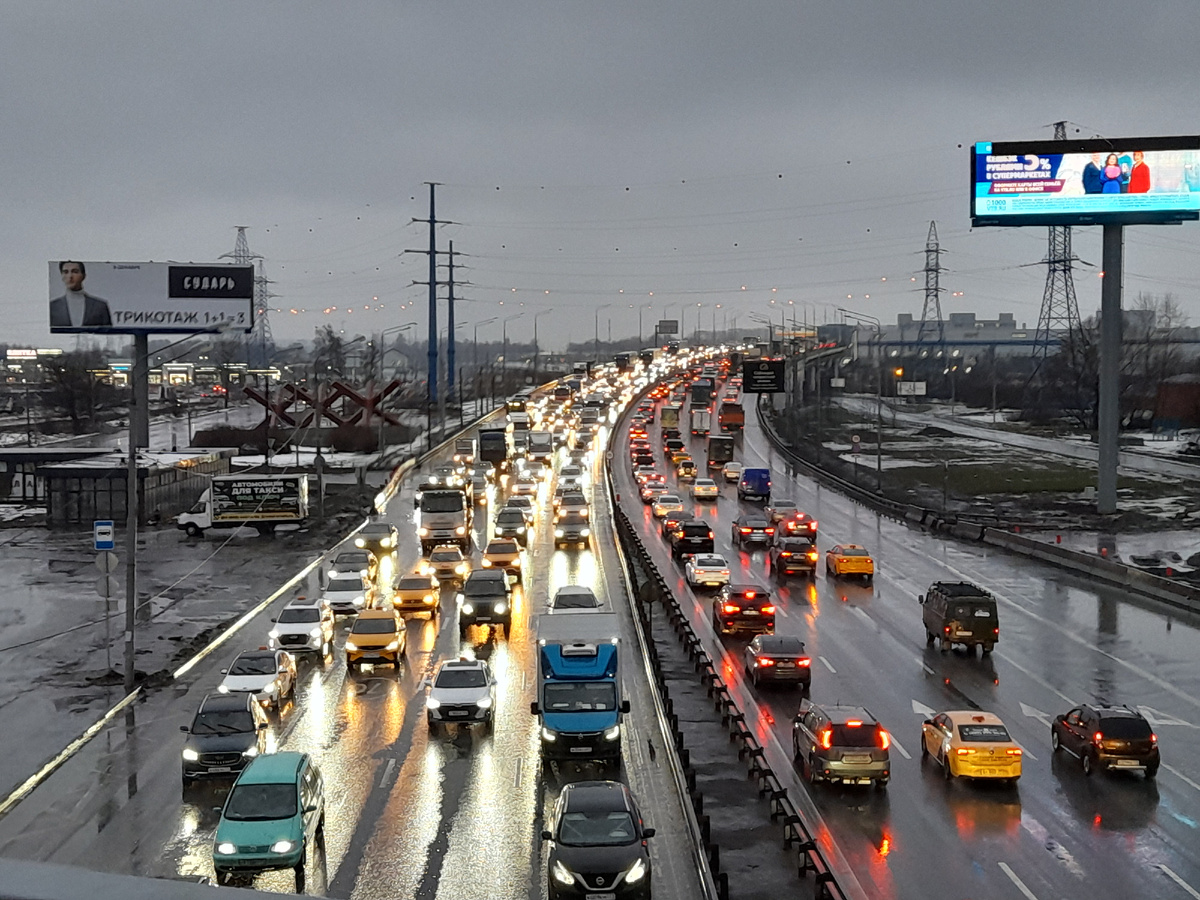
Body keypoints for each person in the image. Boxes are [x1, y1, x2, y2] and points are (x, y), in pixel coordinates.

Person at [49, 260, 112, 328]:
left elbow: (108, 334)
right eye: (65, 272)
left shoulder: (100, 306)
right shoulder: (52, 307)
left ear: (83, 276)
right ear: (62, 276)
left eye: (75, 272)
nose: (70, 276)